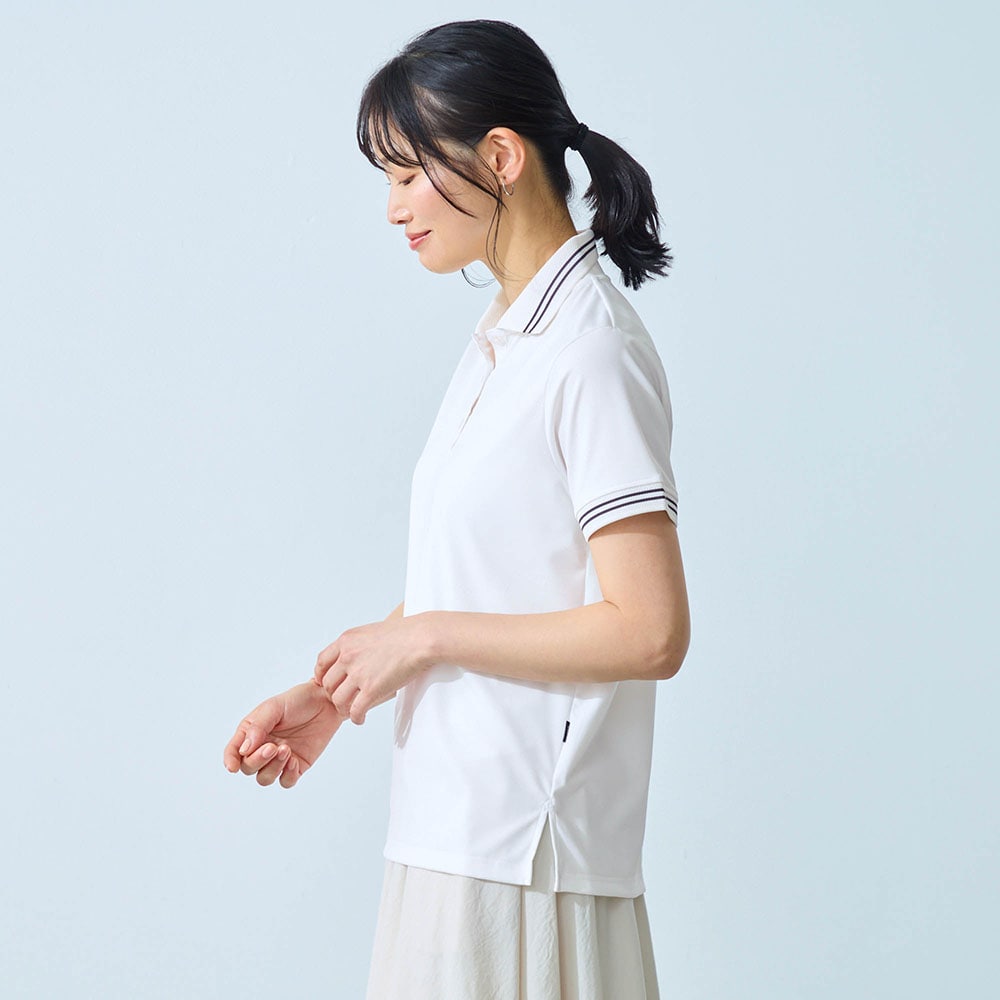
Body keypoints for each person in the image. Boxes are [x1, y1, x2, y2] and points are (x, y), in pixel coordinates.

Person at [223, 19, 690, 1000]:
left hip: (524, 857)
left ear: (502, 157)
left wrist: (424, 638)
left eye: (407, 174)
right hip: (452, 832)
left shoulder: (590, 350)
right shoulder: (505, 337)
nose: (394, 207)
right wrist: (338, 694)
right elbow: (490, 574)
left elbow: (650, 630)